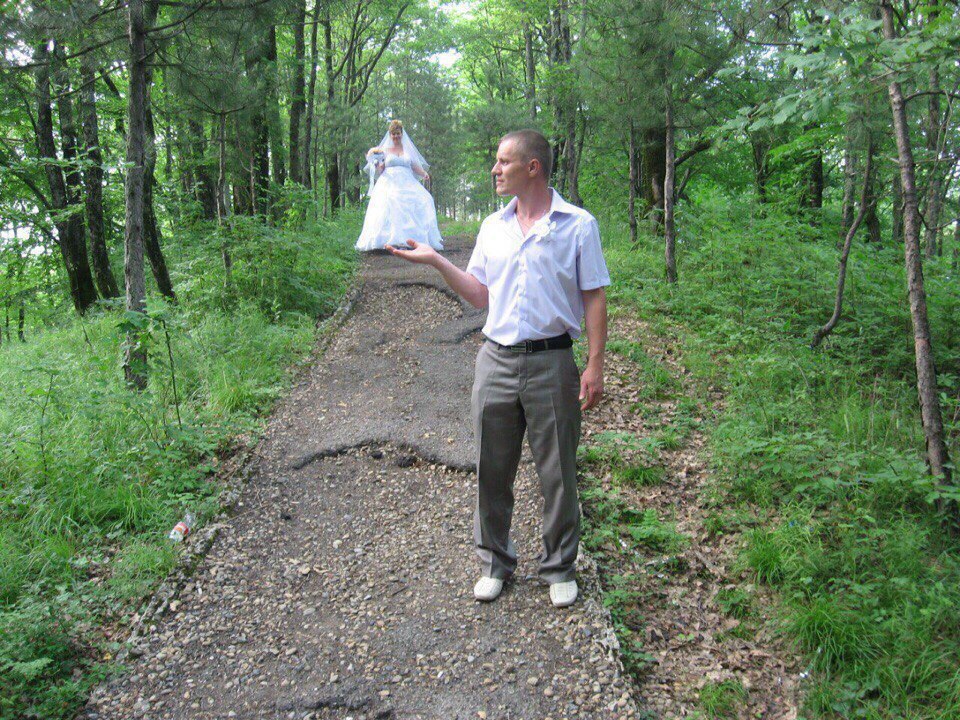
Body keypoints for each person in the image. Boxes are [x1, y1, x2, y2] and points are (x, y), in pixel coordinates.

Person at [388, 129, 609, 609]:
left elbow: (593, 294)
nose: (495, 169)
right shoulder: (493, 227)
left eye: (503, 161)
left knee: (558, 472)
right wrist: (435, 262)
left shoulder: (578, 225)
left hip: (554, 361)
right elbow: (480, 294)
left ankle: (559, 567)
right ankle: (494, 562)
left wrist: (594, 363)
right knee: (492, 466)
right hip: (496, 360)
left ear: (533, 167)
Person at [355, 119, 444, 252]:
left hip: (407, 181)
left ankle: (412, 239)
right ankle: (387, 239)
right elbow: (381, 169)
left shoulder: (408, 149)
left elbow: (414, 166)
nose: (396, 136)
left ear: (402, 134)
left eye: (398, 133)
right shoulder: (384, 150)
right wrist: (376, 163)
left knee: (425, 199)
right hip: (389, 182)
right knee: (391, 203)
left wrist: (424, 173)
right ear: (390, 135)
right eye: (393, 134)